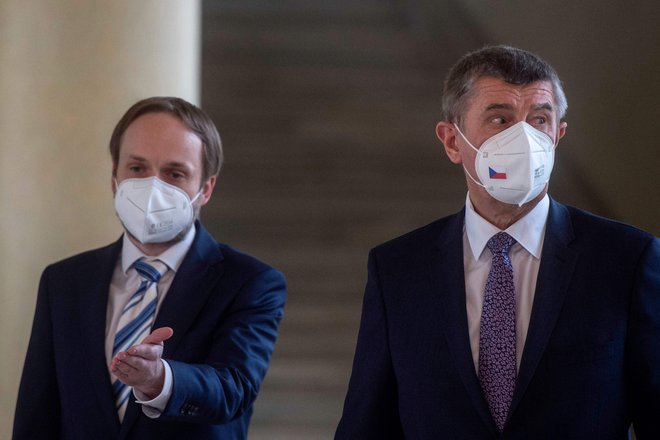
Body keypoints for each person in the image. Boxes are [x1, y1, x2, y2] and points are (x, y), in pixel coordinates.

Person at [335, 45, 659, 439]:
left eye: (539, 119)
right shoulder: (399, 269)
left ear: (558, 135)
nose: (523, 137)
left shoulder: (625, 259)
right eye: (500, 118)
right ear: (453, 141)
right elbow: (366, 425)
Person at [13, 97, 287, 440]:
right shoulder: (65, 281)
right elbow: (38, 412)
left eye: (175, 173)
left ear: (205, 189)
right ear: (114, 176)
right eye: (137, 168)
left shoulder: (250, 282)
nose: (152, 188)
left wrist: (160, 379)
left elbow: (234, 389)